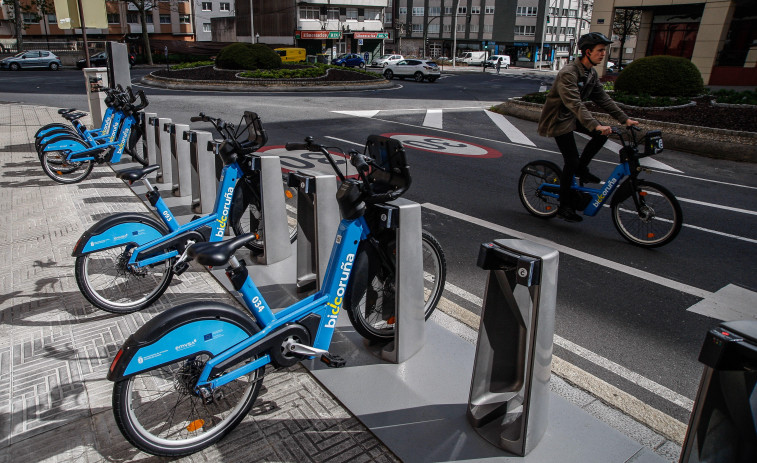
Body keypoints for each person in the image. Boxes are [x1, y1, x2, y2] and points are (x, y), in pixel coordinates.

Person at [537, 32, 638, 222]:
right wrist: (595, 125)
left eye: (604, 51)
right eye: (600, 51)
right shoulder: (569, 72)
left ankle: (581, 169)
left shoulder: (590, 73)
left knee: (601, 136)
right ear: (587, 52)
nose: (603, 54)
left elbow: (603, 99)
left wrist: (625, 120)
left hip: (573, 117)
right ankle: (565, 206)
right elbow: (574, 103)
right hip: (558, 119)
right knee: (572, 161)